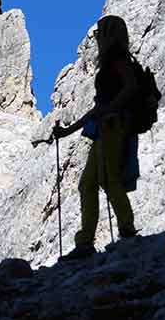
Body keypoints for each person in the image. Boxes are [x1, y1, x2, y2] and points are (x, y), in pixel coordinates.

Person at [53, 15, 140, 260]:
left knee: (109, 178)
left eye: (102, 32)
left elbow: (130, 87)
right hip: (106, 125)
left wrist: (111, 107)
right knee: (89, 182)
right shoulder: (112, 61)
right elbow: (97, 108)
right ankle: (86, 242)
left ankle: (125, 230)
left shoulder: (118, 59)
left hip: (113, 125)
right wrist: (67, 132)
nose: (98, 37)